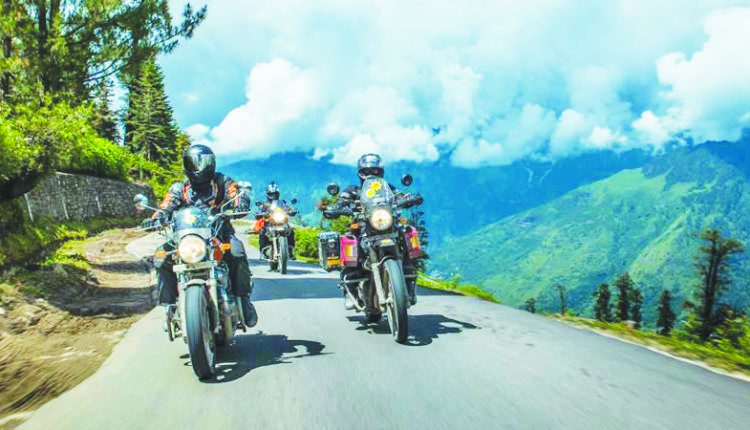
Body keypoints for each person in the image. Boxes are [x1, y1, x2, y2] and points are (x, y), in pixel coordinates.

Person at [153, 144, 257, 327]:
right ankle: (169, 305)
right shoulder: (180, 188)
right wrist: (158, 217)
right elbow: (166, 204)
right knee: (160, 257)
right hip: (186, 237)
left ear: (212, 163)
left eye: (203, 162)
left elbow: (236, 193)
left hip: (219, 233)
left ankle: (243, 299)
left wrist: (240, 203)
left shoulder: (222, 182)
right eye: (193, 162)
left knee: (237, 252)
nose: (198, 167)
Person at [324, 153, 418, 309]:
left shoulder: (388, 189)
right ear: (360, 172)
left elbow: (400, 195)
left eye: (375, 171)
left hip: (386, 225)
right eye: (367, 171)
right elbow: (342, 201)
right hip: (363, 226)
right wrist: (337, 208)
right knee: (352, 242)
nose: (371, 175)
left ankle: (408, 282)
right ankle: (350, 288)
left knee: (405, 236)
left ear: (381, 172)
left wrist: (410, 197)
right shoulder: (353, 190)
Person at [257, 182, 297, 259]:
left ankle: (290, 250)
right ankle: (263, 250)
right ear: (267, 194)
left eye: (274, 194)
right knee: (262, 231)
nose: (272, 196)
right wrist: (259, 213)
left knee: (291, 231)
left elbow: (288, 208)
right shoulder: (265, 204)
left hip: (281, 222)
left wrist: (292, 211)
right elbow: (259, 211)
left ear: (277, 194)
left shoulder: (282, 203)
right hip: (270, 222)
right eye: (271, 194)